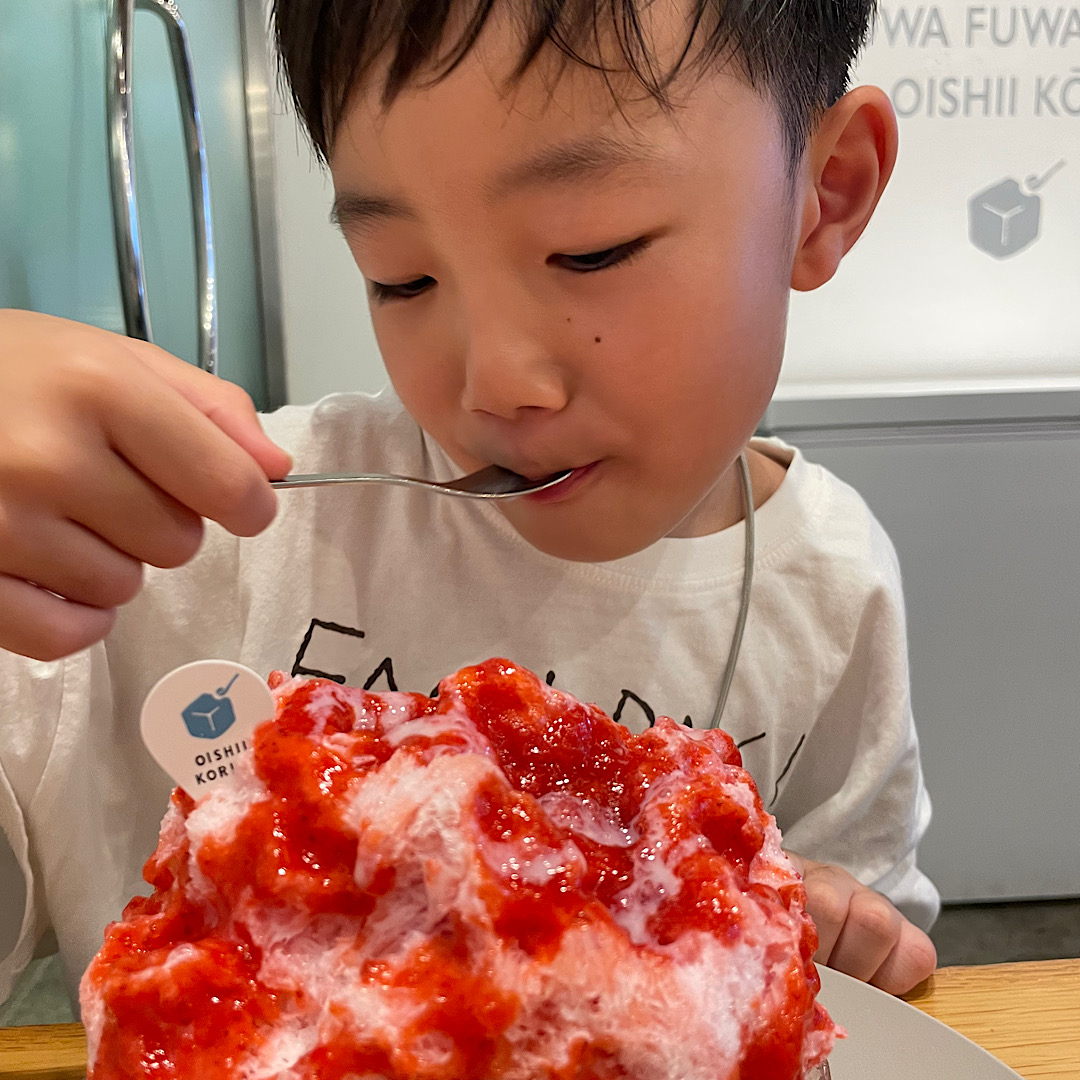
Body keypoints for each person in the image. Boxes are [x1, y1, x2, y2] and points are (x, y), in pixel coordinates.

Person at [0, 0, 940, 1015]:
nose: (495, 383)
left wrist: (831, 929)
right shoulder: (216, 539)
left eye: (592, 251)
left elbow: (861, 962)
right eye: (401, 279)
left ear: (826, 192)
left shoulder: (830, 586)